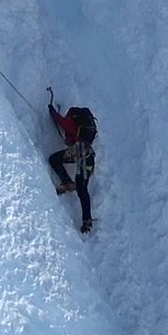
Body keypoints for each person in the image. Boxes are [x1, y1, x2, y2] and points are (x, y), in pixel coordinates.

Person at [46, 88, 96, 234]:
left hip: (79, 154)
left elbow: (58, 120)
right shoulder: (85, 128)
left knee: (54, 159)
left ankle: (67, 182)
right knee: (82, 189)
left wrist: (51, 108)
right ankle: (87, 220)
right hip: (88, 156)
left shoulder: (71, 123)